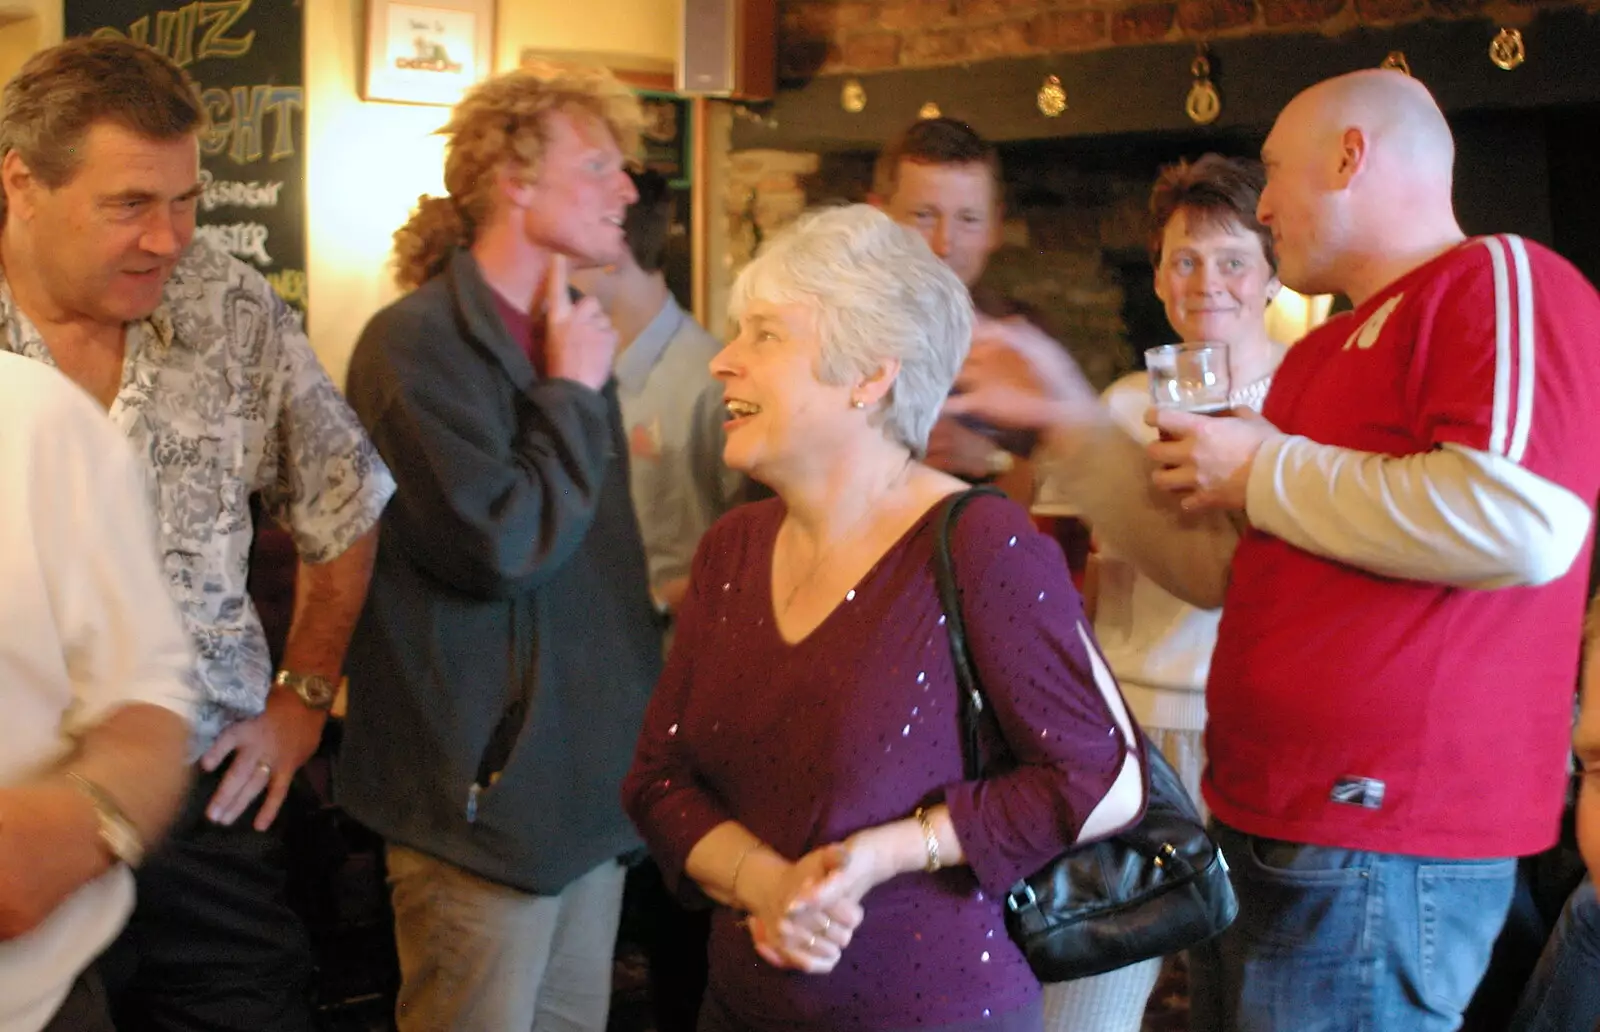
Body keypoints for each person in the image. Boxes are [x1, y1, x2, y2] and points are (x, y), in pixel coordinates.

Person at [946, 69, 1600, 1032]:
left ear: (1351, 156)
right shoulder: (1323, 357)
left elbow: (1523, 522)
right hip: (1270, 819)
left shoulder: (1495, 278)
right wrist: (1066, 420)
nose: (1270, 206)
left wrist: (1260, 469)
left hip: (1377, 834)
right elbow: (1218, 569)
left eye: (1278, 172)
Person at [621, 204, 1146, 1032]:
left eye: (764, 335)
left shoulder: (981, 544)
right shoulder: (731, 549)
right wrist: (770, 885)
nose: (723, 362)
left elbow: (1103, 780)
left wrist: (887, 853)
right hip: (739, 1009)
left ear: (870, 374)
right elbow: (658, 780)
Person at [0, 37, 393, 1032]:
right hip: (18, 822)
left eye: (186, 199)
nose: (169, 238)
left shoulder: (228, 304)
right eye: (131, 203)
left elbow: (343, 496)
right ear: (23, 184)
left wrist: (303, 698)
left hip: (204, 799)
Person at [339, 63, 663, 1032]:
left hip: (583, 807)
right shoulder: (410, 345)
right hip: (476, 817)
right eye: (598, 164)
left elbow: (597, 576)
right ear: (514, 179)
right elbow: (499, 546)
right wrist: (568, 394)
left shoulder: (573, 335)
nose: (629, 189)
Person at [1038, 153, 1283, 1032]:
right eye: (1184, 260)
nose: (1207, 281)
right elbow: (1069, 572)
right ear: (1157, 276)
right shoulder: (1119, 404)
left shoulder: (1306, 395)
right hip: (1132, 725)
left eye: (1231, 260)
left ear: (1269, 272)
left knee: (1247, 992)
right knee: (1084, 998)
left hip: (1257, 728)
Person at [0, 354, 196, 1032]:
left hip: (31, 1002)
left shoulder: (37, 422)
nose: (161, 241)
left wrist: (89, 819)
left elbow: (145, 696)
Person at [571, 167, 747, 615]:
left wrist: (654, 604)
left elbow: (758, 547)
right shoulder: (580, 363)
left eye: (572, 247)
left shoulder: (710, 382)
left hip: (670, 655)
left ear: (612, 250)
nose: (558, 264)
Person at [870, 117, 1041, 489]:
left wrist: (994, 460)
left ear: (995, 227)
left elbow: (1062, 487)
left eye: (968, 219)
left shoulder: (1028, 341)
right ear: (880, 217)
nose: (945, 245)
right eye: (924, 216)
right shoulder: (836, 331)